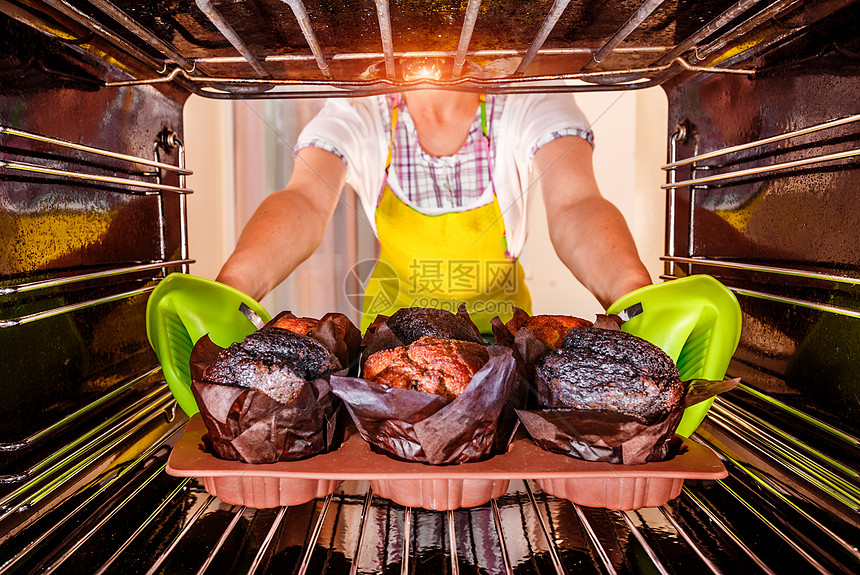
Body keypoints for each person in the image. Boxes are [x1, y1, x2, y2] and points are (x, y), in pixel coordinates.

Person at [216, 64, 651, 333]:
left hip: (499, 333)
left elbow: (575, 203)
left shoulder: (526, 97)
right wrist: (231, 288)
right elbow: (305, 200)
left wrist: (634, 294)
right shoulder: (360, 109)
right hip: (388, 337)